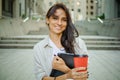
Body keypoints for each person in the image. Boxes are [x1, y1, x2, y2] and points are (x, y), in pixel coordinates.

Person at [33, 3, 88, 80]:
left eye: (64, 20)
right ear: (47, 20)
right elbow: (41, 78)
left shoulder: (78, 44)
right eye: (55, 18)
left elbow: (83, 77)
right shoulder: (39, 48)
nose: (59, 23)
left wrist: (65, 69)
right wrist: (67, 76)